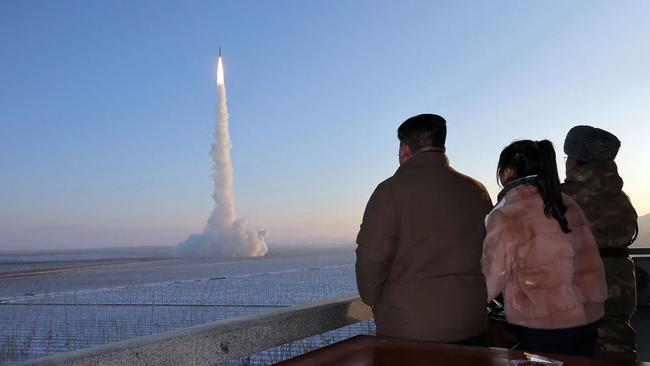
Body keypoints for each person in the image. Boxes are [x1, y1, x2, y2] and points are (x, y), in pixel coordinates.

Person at [355, 114, 493, 344]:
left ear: (405, 149)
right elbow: (490, 253)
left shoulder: (389, 192)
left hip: (409, 331)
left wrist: (372, 297)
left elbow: (371, 259)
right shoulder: (476, 191)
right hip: (471, 323)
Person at [482, 140, 607, 357]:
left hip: (545, 323)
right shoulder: (567, 202)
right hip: (587, 317)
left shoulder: (506, 215)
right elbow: (590, 260)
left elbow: (492, 278)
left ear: (508, 171)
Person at [562, 125, 639, 361]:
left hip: (580, 287)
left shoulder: (563, 197)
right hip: (620, 285)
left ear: (575, 161)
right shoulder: (621, 197)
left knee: (575, 352)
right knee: (618, 346)